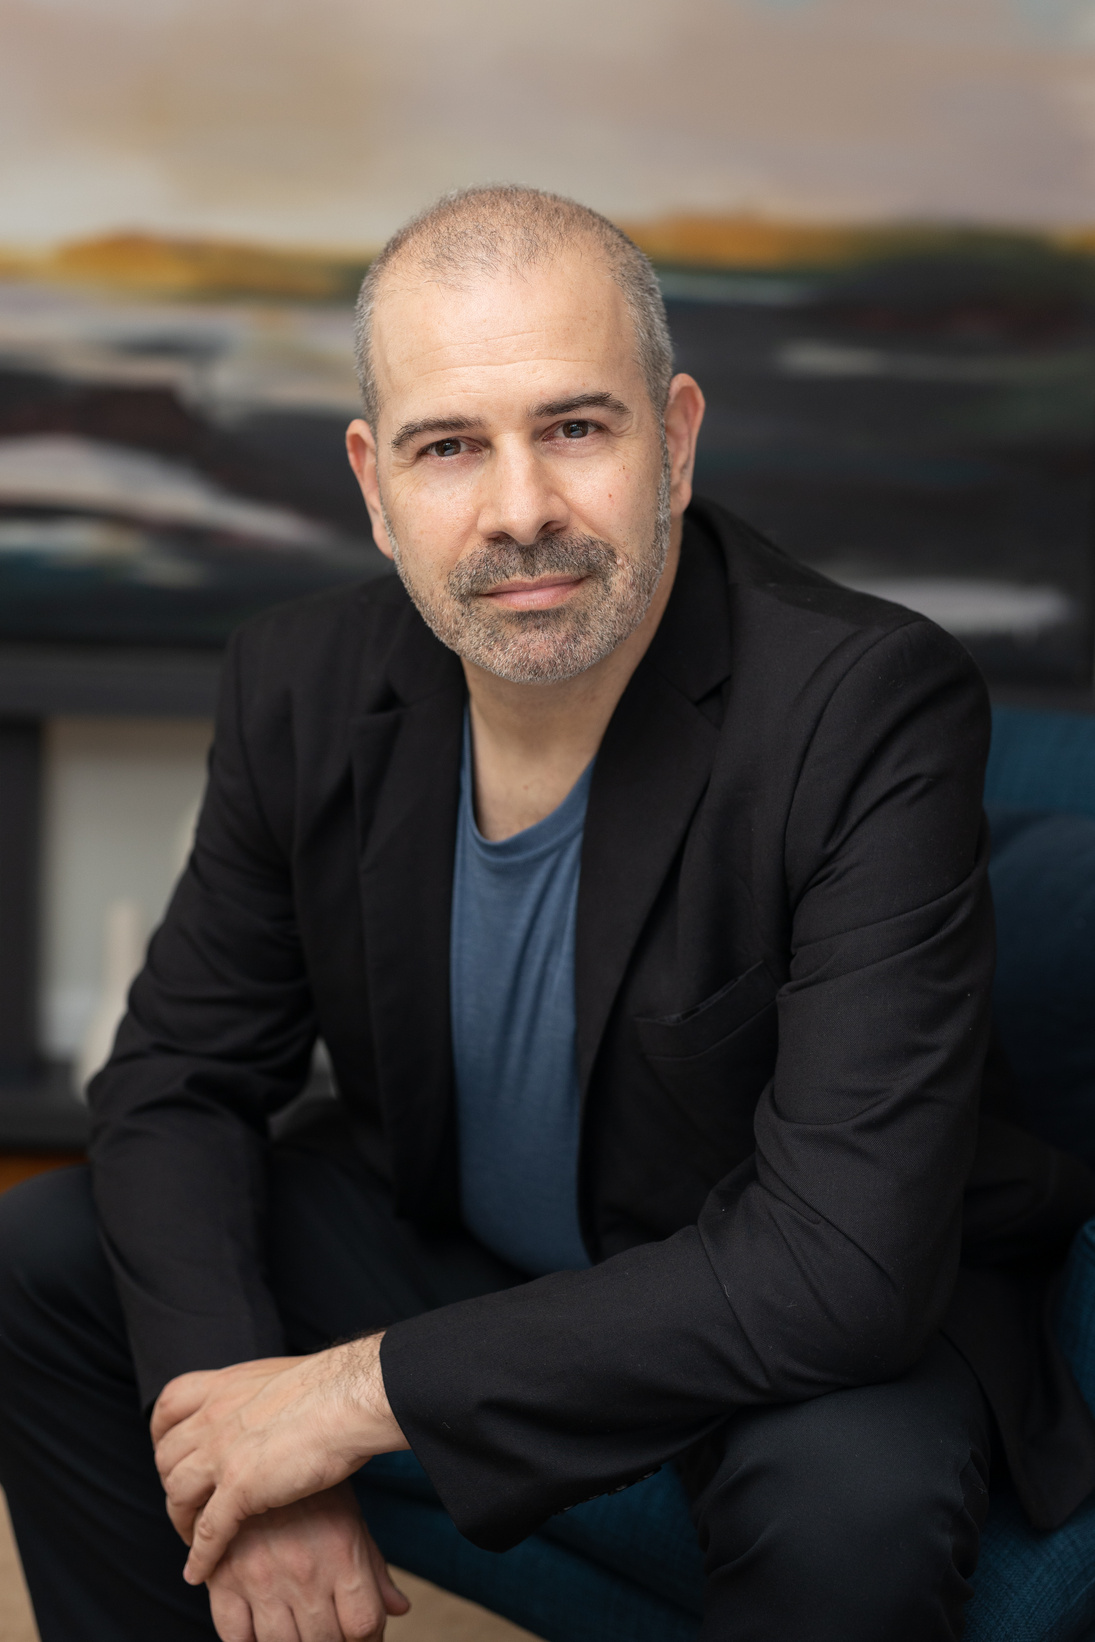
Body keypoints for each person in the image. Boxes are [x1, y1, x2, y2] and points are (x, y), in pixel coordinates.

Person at [1, 185, 1093, 1642]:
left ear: (679, 438)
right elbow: (175, 1082)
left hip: (772, 1287)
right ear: (375, 484)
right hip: (462, 1225)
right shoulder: (300, 685)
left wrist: (341, 1396)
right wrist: (241, 1450)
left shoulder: (866, 707)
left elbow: (841, 1266)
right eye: (450, 445)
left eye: (576, 427)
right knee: (50, 1258)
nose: (519, 509)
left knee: (857, 1511)